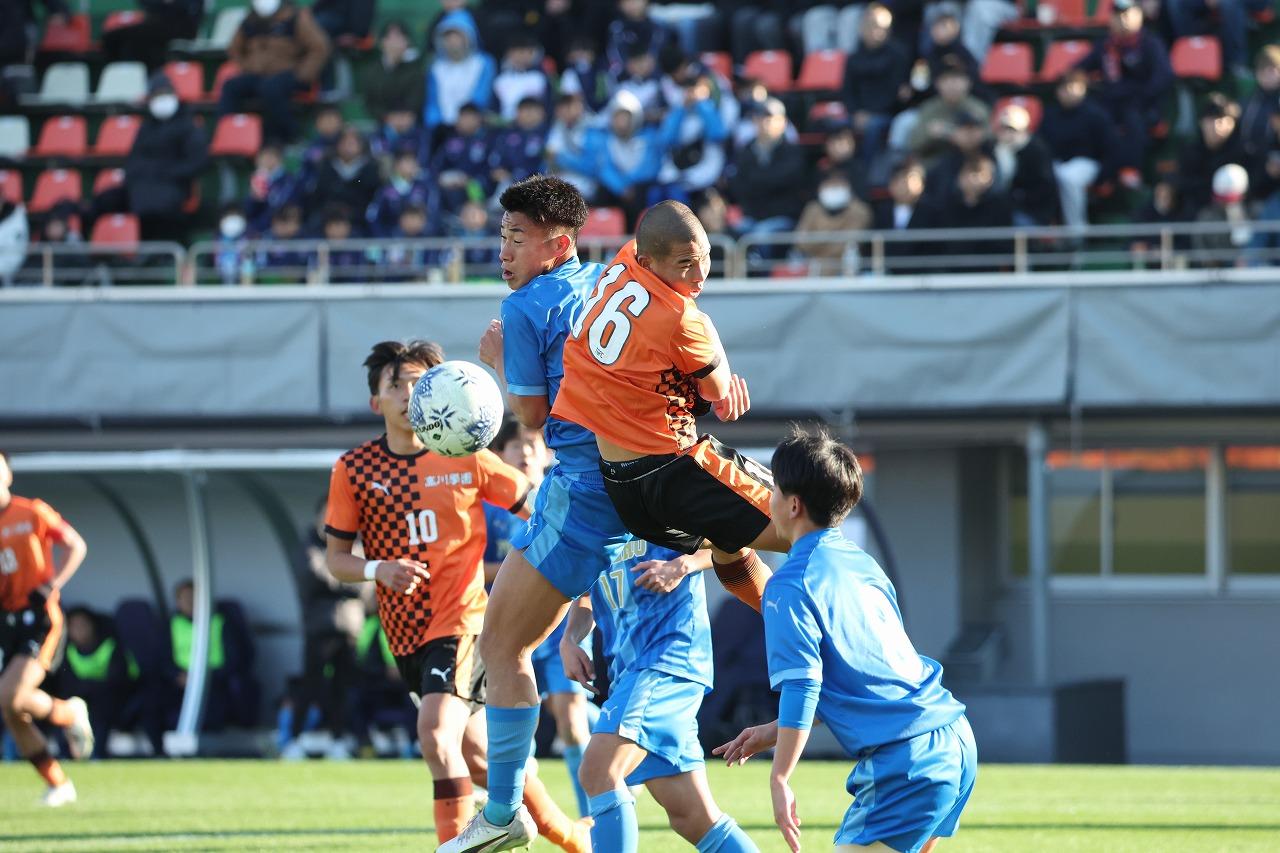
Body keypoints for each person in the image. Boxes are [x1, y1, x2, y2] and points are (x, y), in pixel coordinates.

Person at [326, 340, 588, 850]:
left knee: (435, 735)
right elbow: (337, 560)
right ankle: (573, 837)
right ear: (375, 402)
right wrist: (378, 569)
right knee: (480, 760)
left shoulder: (469, 459)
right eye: (396, 385)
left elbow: (541, 509)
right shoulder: (354, 470)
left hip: (463, 623)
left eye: (418, 382)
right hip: (406, 636)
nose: (409, 394)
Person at [440, 175, 633, 852]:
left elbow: (531, 416)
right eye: (502, 237)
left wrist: (496, 362)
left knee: (500, 646)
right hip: (640, 483)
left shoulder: (524, 306)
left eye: (518, 238)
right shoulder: (612, 282)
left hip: (581, 489)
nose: (504, 251)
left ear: (559, 243)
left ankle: (503, 813)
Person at [713, 426, 977, 853]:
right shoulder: (862, 563)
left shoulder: (790, 584)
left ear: (793, 504)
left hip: (906, 759)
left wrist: (780, 777)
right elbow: (860, 676)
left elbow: (803, 685)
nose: (769, 497)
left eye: (774, 488)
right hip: (953, 739)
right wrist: (773, 731)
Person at [552, 199, 782, 599]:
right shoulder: (682, 318)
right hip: (673, 472)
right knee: (807, 523)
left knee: (732, 543)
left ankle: (779, 623)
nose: (700, 273)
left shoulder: (625, 259)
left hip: (622, 487)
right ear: (650, 261)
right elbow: (718, 390)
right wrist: (707, 331)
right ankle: (827, 635)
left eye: (705, 257)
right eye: (684, 264)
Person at [560, 538, 759, 853]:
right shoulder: (598, 520)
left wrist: (683, 565)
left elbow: (733, 541)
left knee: (599, 770)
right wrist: (571, 639)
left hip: (667, 661)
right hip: (631, 672)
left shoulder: (665, 508)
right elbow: (586, 592)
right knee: (692, 818)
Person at [482, 418, 592, 820]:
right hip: (509, 631)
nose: (526, 452)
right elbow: (472, 568)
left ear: (548, 452)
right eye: (516, 445)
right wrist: (524, 572)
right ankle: (520, 813)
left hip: (559, 628)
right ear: (499, 455)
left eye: (533, 444)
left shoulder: (562, 495)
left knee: (572, 724)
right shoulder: (489, 508)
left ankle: (592, 817)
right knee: (520, 733)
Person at [0, 450, 92, 806]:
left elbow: (75, 545)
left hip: (39, 619)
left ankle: (70, 713)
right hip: (6, 621)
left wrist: (53, 584)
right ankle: (58, 783)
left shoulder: (32, 512)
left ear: (8, 475)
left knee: (9, 697)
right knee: (12, 710)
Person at [280, 497, 363, 760]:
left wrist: (342, 575)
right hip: (319, 629)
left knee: (342, 688)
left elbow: (364, 582)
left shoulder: (356, 543)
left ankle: (338, 739)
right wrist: (346, 575)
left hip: (349, 630)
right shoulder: (308, 545)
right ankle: (294, 739)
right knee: (310, 686)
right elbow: (314, 577)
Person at [92, 72, 208, 243]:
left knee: (154, 204)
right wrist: (140, 176)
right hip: (142, 184)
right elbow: (133, 161)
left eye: (166, 94)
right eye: (157, 95)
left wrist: (165, 172)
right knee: (104, 201)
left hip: (173, 185)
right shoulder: (146, 127)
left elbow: (198, 162)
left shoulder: (188, 125)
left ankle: (156, 250)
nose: (162, 100)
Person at [1074, 0, 1172, 186]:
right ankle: (1099, 175)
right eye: (1117, 15)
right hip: (1111, 103)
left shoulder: (1150, 43)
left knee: (1132, 119)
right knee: (1094, 117)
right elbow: (1078, 68)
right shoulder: (1106, 45)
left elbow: (1163, 77)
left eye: (1127, 14)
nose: (1122, 20)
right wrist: (1077, 80)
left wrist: (1142, 97)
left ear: (1138, 16)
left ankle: (1130, 170)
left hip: (1142, 104)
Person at [220, 0, 331, 144]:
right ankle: (228, 135)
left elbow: (319, 47)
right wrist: (247, 65)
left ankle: (292, 133)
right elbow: (234, 48)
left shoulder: (294, 18)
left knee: (270, 88)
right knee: (231, 86)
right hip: (257, 74)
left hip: (289, 74)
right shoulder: (250, 21)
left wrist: (304, 73)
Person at [1040, 69, 1115, 231]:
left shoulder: (1095, 114)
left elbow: (1109, 148)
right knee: (1046, 175)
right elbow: (1042, 146)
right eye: (1065, 88)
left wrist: (1104, 177)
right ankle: (1045, 227)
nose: (1069, 92)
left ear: (1083, 89)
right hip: (1057, 163)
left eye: (1074, 87)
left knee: (1068, 177)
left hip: (1087, 164)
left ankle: (1077, 231)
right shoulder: (1050, 115)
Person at [425, 10, 496, 134]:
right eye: (448, 37)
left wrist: (467, 119)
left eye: (457, 36)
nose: (453, 41)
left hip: (475, 128)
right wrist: (436, 125)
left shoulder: (483, 63)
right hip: (443, 130)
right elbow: (432, 102)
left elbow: (481, 97)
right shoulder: (436, 67)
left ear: (469, 36)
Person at [795, 169, 872, 273]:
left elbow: (850, 241)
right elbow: (801, 241)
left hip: (847, 269)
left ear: (848, 187)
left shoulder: (860, 210)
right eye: (829, 185)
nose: (833, 188)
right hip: (813, 267)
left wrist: (819, 243)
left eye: (837, 184)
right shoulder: (812, 209)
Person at [362, 19, 427, 122]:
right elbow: (370, 103)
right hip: (383, 123)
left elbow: (416, 100)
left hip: (410, 122)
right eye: (392, 38)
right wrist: (387, 117)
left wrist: (406, 116)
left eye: (401, 38)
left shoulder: (416, 69)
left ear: (407, 42)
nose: (396, 43)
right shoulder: (372, 71)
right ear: (382, 42)